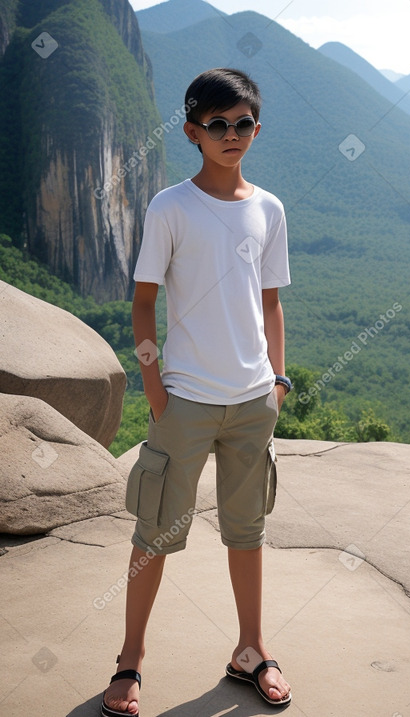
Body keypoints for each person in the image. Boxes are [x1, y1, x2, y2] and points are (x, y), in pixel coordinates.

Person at [101, 68, 293, 717]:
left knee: (248, 531)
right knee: (154, 533)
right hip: (183, 399)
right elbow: (144, 302)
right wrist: (155, 386)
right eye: (218, 124)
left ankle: (251, 650)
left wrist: (278, 380)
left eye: (242, 123)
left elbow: (271, 304)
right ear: (192, 132)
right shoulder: (170, 206)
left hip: (251, 401)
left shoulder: (269, 209)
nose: (231, 134)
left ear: (256, 128)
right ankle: (130, 659)